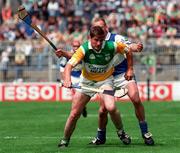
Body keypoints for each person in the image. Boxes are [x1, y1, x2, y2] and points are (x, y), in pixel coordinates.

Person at [58, 26, 134, 147]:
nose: (99, 43)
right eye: (96, 40)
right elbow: (68, 66)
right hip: (86, 82)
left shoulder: (111, 45)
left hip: (105, 81)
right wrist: (67, 79)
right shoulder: (83, 49)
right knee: (74, 114)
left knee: (111, 107)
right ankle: (65, 140)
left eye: (101, 40)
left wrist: (130, 69)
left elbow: (128, 50)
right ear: (90, 38)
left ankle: (121, 133)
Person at [90, 18, 154, 146]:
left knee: (135, 98)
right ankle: (100, 136)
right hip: (106, 78)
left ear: (106, 27)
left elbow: (129, 46)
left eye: (101, 27)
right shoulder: (93, 42)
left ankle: (145, 132)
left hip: (122, 74)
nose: (100, 30)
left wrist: (136, 47)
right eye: (96, 27)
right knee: (103, 109)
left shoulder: (117, 38)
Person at [56, 40, 87, 117]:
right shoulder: (66, 57)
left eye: (77, 46)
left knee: (82, 96)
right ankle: (76, 111)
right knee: (76, 95)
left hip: (82, 76)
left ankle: (82, 107)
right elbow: (62, 69)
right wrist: (66, 79)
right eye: (74, 46)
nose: (76, 48)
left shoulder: (83, 53)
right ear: (72, 46)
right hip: (72, 77)